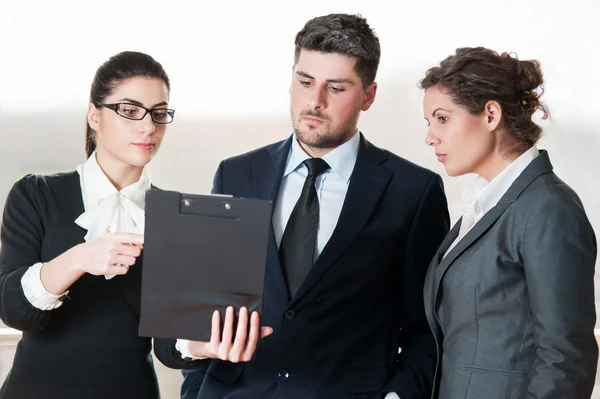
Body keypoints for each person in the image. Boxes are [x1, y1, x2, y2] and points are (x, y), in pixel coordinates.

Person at [155, 13, 450, 399]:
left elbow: (428, 332)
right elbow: (189, 320)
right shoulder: (236, 174)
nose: (315, 101)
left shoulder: (413, 191)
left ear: (369, 95)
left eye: (337, 88)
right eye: (305, 81)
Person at [420, 47, 598, 399]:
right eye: (429, 123)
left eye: (442, 119)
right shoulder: (483, 204)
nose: (430, 137)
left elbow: (565, 362)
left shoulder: (548, 208)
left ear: (490, 114)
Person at [0, 51, 176, 399]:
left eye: (159, 113)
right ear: (95, 115)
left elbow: (170, 349)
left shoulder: (174, 215)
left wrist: (208, 343)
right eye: (129, 110)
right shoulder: (36, 194)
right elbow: (12, 309)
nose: (148, 126)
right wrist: (80, 257)